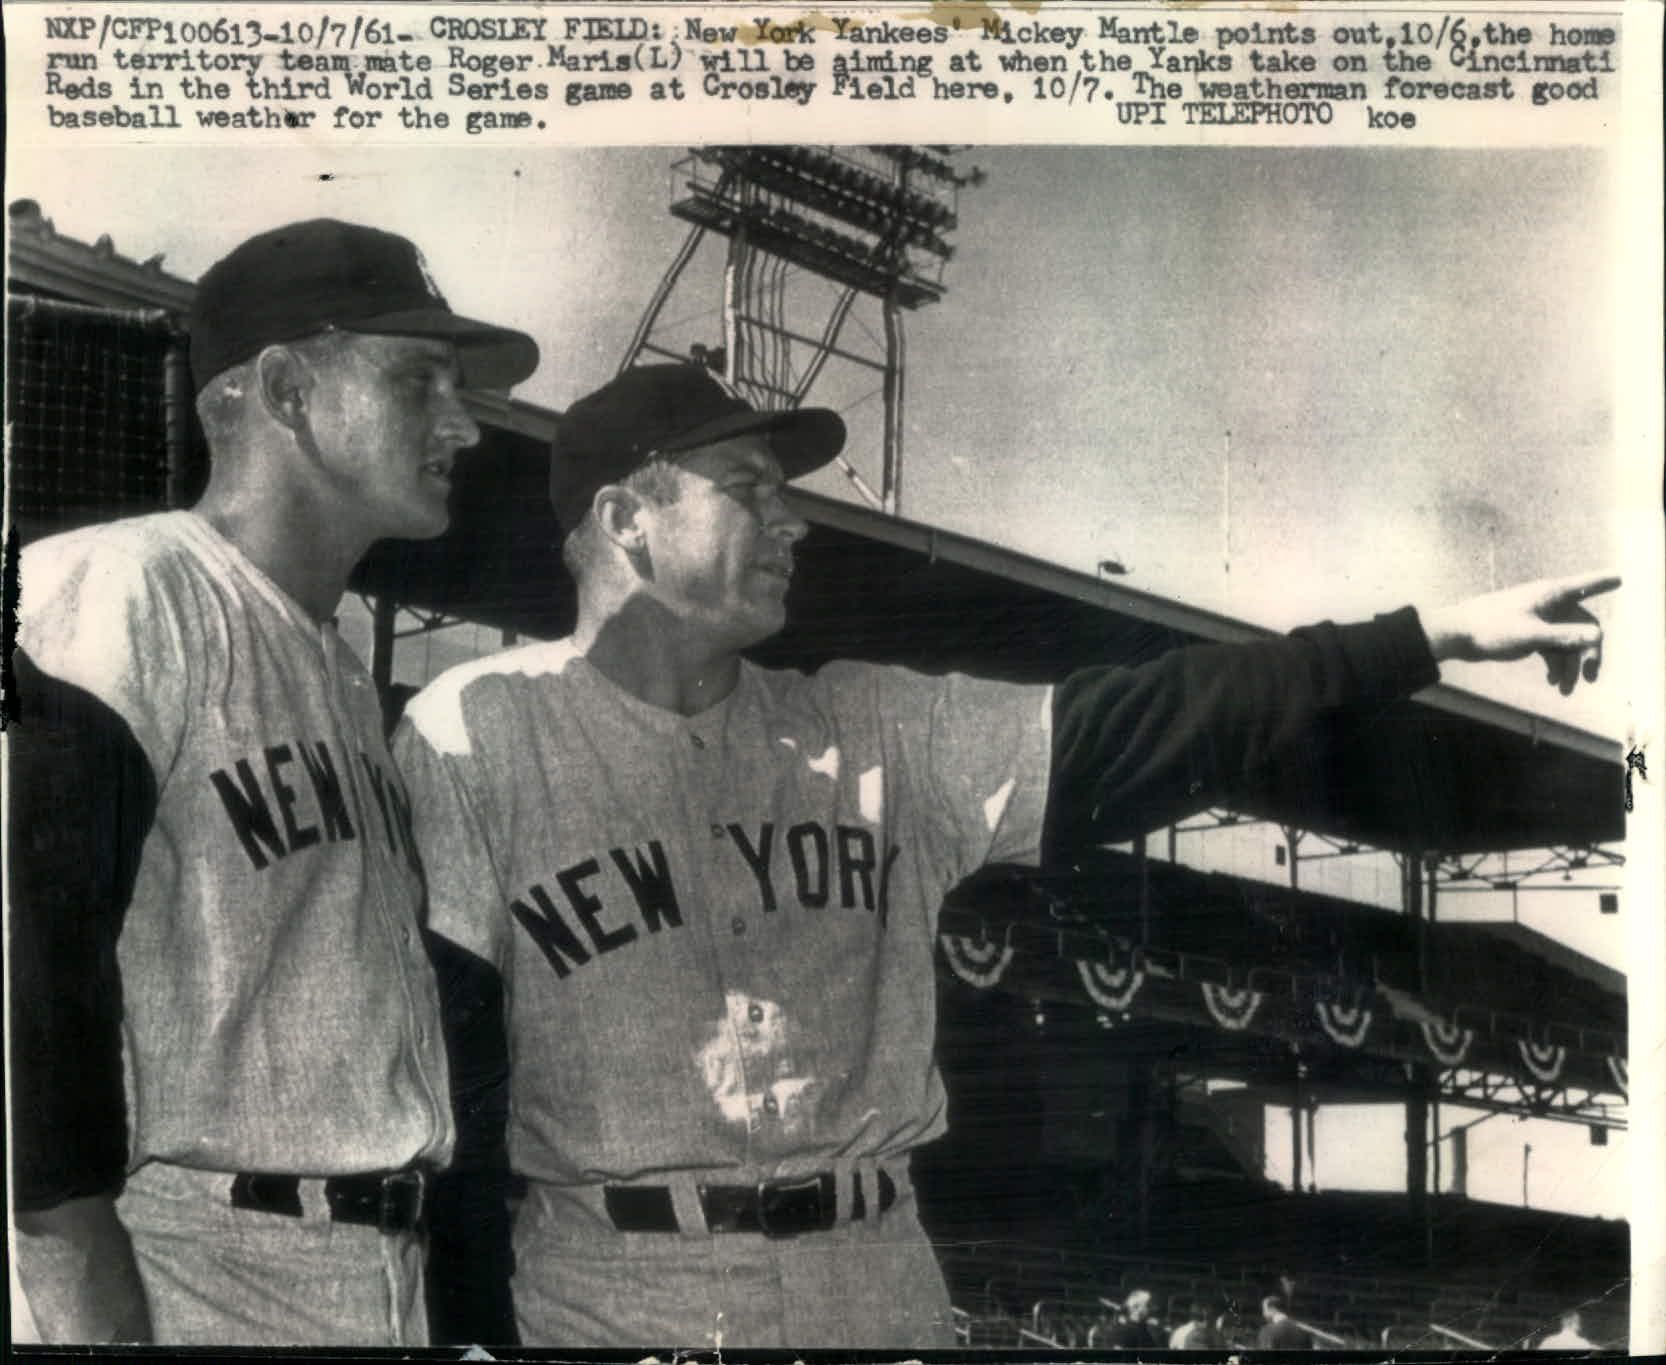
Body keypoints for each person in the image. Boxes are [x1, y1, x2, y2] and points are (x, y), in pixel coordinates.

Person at [393, 361, 1618, 1348]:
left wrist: (1428, 635)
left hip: (872, 1279)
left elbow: (1156, 716)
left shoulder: (870, 723)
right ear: (624, 517)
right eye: (749, 486)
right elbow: (434, 1067)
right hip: (608, 1291)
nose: (793, 521)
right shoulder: (476, 731)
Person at [7, 218, 539, 1344]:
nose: (464, 422)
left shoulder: (338, 673)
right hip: (191, 1267)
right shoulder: (115, 594)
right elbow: (21, 1006)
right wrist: (91, 1316)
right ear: (286, 390)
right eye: (419, 379)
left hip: (362, 1276)